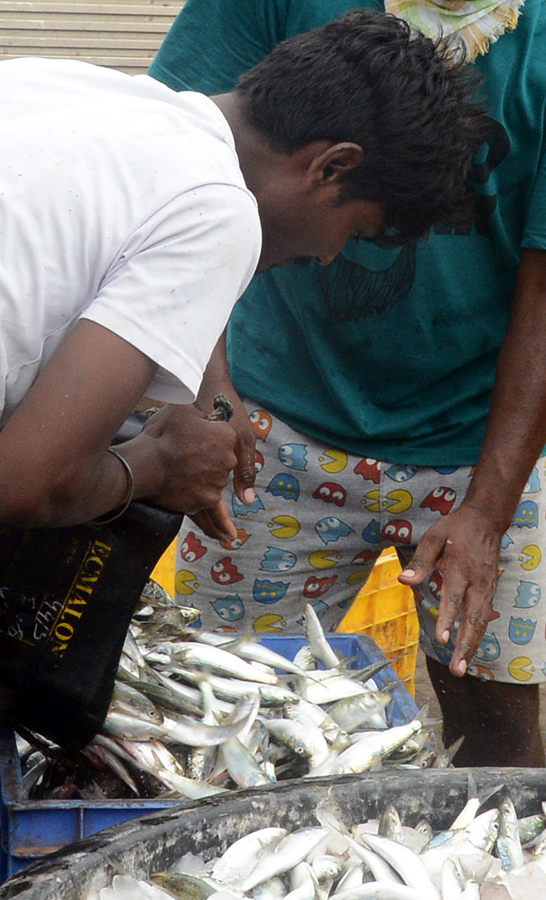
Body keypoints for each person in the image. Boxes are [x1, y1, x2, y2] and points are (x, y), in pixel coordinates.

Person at [0, 10, 486, 899]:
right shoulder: (218, 209)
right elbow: (20, 486)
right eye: (357, 230)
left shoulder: (57, 81)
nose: (329, 255)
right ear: (332, 166)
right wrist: (154, 469)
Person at [151, 0, 546, 767]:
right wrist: (214, 392)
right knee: (226, 716)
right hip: (270, 431)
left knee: (499, 746)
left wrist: (489, 513)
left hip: (483, 449)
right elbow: (181, 162)